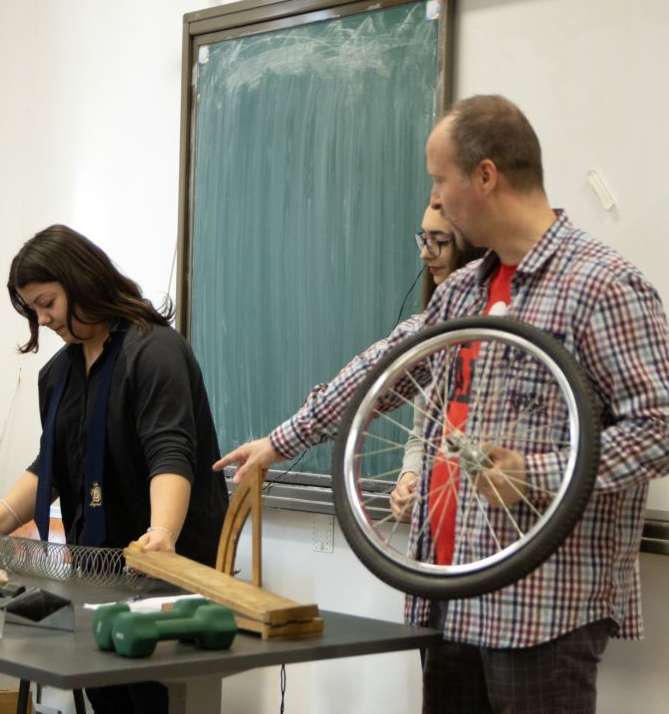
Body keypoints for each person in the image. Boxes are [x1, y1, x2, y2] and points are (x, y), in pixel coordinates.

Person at [214, 95, 669, 713]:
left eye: (439, 180)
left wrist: (535, 473)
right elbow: (381, 373)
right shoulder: (464, 291)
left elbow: (657, 430)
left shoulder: (603, 285)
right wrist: (279, 442)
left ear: (485, 176)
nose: (435, 199)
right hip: (444, 594)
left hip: (540, 608)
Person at [0, 224, 229, 714]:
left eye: (47, 302)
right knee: (108, 701)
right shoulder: (58, 375)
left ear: (82, 280)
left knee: (161, 701)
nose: (43, 319)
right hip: (96, 578)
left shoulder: (154, 352)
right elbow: (50, 468)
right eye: (33, 310)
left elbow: (171, 452)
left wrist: (162, 535)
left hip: (169, 577)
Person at [390, 207, 484, 523]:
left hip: (483, 523)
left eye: (439, 241)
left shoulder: (502, 335)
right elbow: (422, 434)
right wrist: (409, 480)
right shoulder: (428, 333)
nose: (425, 253)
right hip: (435, 530)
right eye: (424, 239)